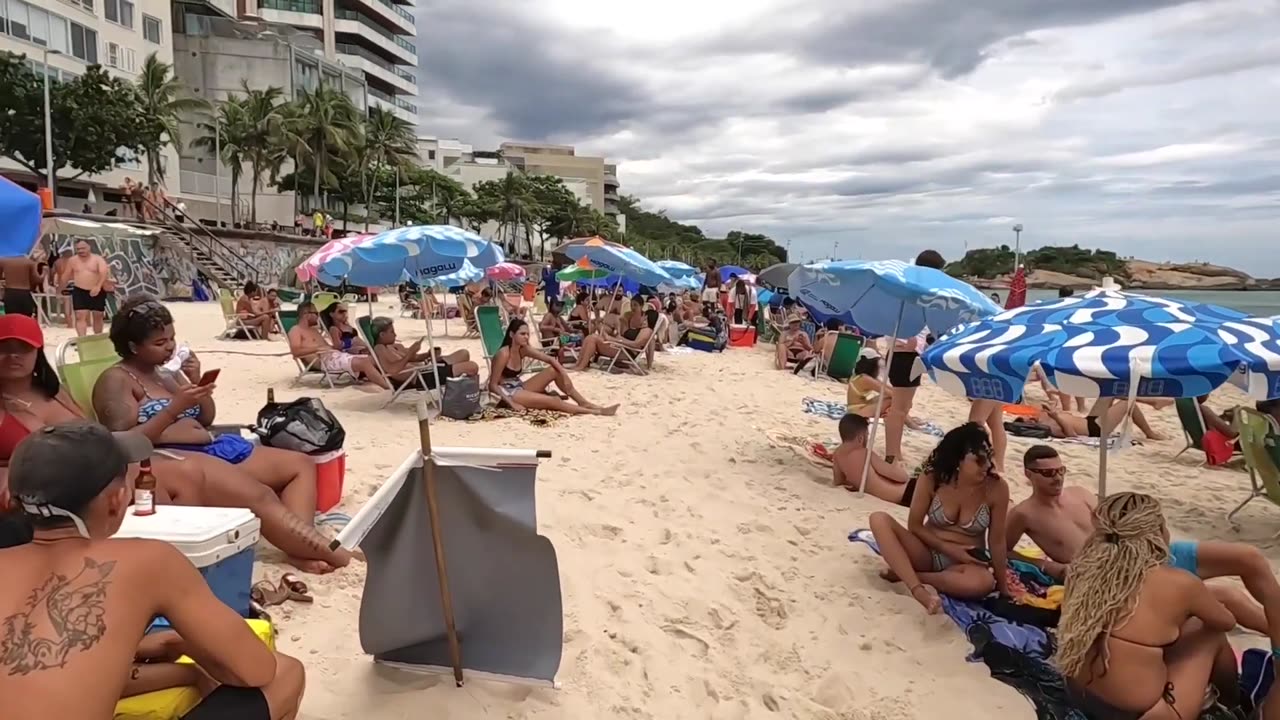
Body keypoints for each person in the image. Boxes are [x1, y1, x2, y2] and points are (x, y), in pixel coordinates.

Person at [0, 313, 346, 580]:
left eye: (22, 348)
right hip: (65, 489)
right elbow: (116, 429)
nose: (12, 356)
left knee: (244, 489)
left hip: (109, 464)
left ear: (36, 352)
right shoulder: (114, 381)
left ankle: (320, 548)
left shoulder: (51, 390)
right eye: (4, 347)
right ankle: (330, 553)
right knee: (188, 475)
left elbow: (97, 435)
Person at [0, 421, 306, 720]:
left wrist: (158, 657)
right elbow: (255, 670)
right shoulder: (147, 560)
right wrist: (187, 648)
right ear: (118, 500)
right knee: (284, 674)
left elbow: (34, 675)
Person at [93, 296, 353, 573]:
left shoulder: (166, 373)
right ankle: (332, 553)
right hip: (173, 460)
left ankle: (298, 545)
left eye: (171, 338)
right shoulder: (116, 380)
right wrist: (173, 410)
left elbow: (206, 418)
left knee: (298, 464)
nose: (169, 346)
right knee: (261, 495)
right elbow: (124, 444)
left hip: (212, 447)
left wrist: (195, 382)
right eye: (159, 343)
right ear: (133, 346)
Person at [1008, 446, 1275, 636]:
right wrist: (1045, 565)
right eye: (1048, 473)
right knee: (1228, 596)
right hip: (1114, 574)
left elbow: (1120, 522)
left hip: (1146, 553)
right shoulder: (1023, 513)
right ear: (1028, 475)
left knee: (1247, 556)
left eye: (1060, 470)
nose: (1057, 477)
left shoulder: (1079, 493)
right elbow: (1001, 550)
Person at [1053, 492, 1243, 720]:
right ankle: (1234, 706)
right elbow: (1225, 621)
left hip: (1079, 693)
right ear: (1158, 533)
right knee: (1210, 635)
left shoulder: (1083, 568)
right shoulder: (1179, 582)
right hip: (1138, 713)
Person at [868, 422, 1011, 613]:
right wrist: (949, 549)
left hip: (965, 563)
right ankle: (918, 590)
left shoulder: (997, 488)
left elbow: (997, 541)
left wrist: (1003, 586)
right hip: (927, 552)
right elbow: (915, 526)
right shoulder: (932, 479)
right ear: (958, 460)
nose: (987, 466)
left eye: (989, 458)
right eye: (979, 461)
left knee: (982, 583)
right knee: (878, 519)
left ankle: (910, 576)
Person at [883, 249, 945, 464]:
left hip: (905, 355)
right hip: (905, 355)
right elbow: (906, 329)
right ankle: (892, 454)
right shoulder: (916, 294)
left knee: (903, 407)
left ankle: (894, 452)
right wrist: (911, 341)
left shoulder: (908, 290)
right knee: (899, 409)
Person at [490, 318, 618, 415]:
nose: (526, 337)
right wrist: (512, 404)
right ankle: (597, 412)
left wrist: (564, 375)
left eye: (527, 334)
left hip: (518, 386)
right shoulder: (503, 354)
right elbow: (493, 385)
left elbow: (550, 359)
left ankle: (582, 402)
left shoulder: (523, 349)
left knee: (553, 370)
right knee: (554, 401)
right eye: (522, 334)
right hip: (507, 392)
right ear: (512, 335)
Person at [287, 302, 389, 390]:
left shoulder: (313, 330)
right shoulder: (296, 330)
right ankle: (388, 387)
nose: (318, 316)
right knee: (365, 363)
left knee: (374, 359)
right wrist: (319, 349)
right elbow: (295, 352)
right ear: (306, 315)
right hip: (324, 361)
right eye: (316, 313)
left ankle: (392, 380)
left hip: (334, 355)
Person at [369, 317, 479, 390]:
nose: (395, 334)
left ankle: (459, 383)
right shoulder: (380, 349)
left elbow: (414, 358)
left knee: (464, 354)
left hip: (424, 369)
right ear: (382, 335)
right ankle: (464, 390)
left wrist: (427, 355)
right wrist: (411, 352)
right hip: (420, 377)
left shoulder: (391, 346)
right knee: (472, 367)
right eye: (392, 332)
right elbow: (393, 370)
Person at [832, 413, 914, 506]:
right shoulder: (864, 453)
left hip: (897, 496)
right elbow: (902, 477)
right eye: (867, 435)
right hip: (904, 494)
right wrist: (896, 467)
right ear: (860, 438)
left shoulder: (837, 455)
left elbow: (838, 482)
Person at [1037, 398, 1166, 441]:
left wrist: (1053, 409)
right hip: (1096, 429)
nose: (1028, 416)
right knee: (1127, 403)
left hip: (1089, 420)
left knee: (1109, 392)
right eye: (1025, 418)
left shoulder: (1044, 417)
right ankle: (1149, 433)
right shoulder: (1048, 427)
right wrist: (1056, 416)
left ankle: (1153, 401)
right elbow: (1071, 434)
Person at [67, 239, 113, 337]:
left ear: (89, 248)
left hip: (97, 289)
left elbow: (103, 273)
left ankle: (97, 337)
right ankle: (82, 339)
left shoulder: (98, 259)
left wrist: (98, 286)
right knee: (80, 316)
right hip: (79, 290)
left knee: (98, 316)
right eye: (78, 249)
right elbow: (65, 275)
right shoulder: (72, 260)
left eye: (83, 248)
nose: (80, 251)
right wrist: (59, 288)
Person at [0, 254, 42, 318]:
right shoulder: (29, 262)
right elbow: (37, 280)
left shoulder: (4, 261)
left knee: (11, 319)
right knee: (25, 319)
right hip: (24, 293)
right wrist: (44, 273)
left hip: (10, 293)